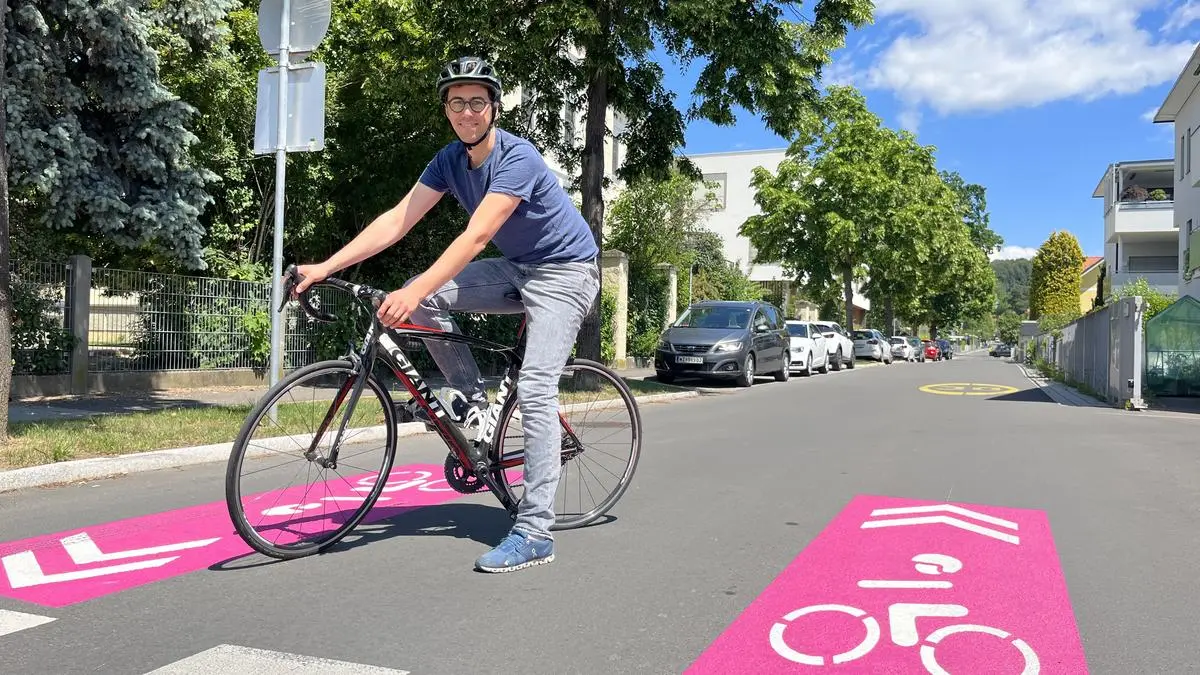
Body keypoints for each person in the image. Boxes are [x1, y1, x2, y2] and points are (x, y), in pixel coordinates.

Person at [293, 55, 601, 573]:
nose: (467, 112)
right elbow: (397, 220)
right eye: (457, 102)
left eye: (477, 101)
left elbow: (476, 236)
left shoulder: (517, 157)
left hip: (567, 271)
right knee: (424, 292)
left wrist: (414, 295)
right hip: (519, 266)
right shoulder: (448, 162)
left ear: (494, 108)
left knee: (537, 387)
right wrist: (326, 265)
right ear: (447, 111)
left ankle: (535, 532)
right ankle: (473, 403)